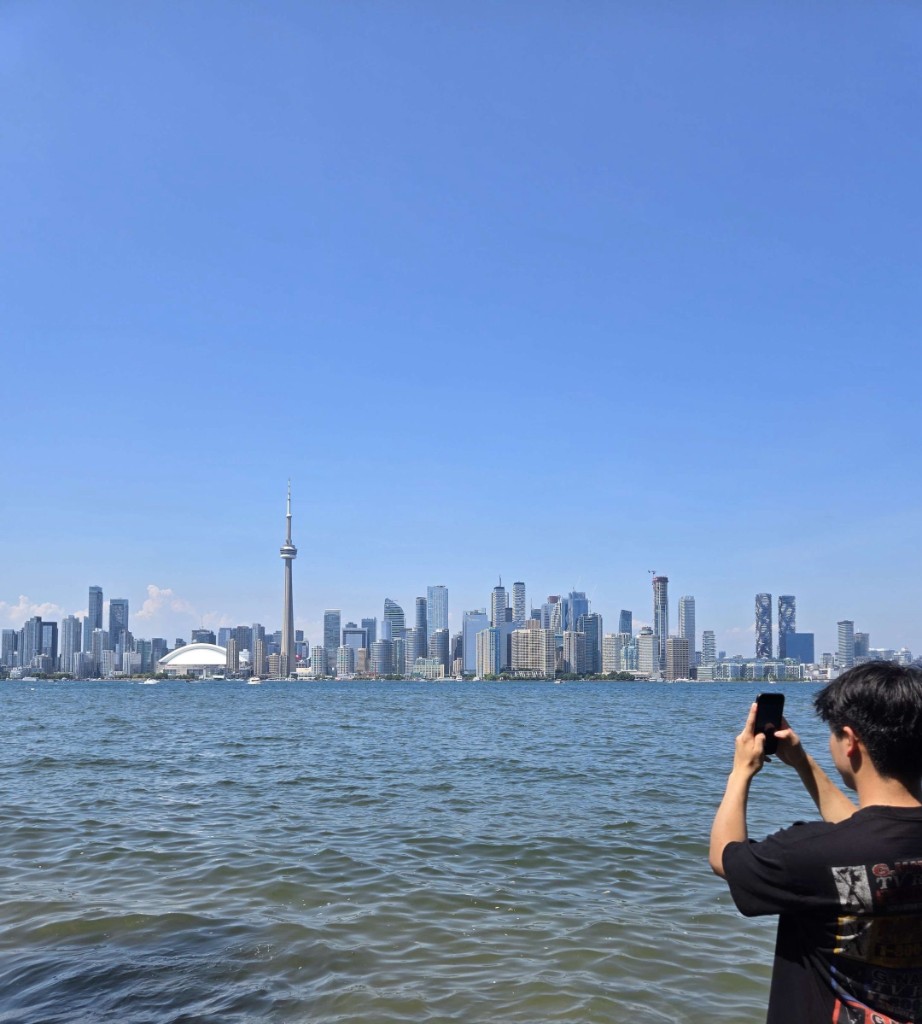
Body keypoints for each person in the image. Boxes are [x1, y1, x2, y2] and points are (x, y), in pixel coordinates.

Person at [709, 663, 922, 1024]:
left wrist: (740, 771)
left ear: (850, 742)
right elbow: (864, 834)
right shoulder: (840, 851)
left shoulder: (806, 853)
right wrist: (802, 763)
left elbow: (724, 857)